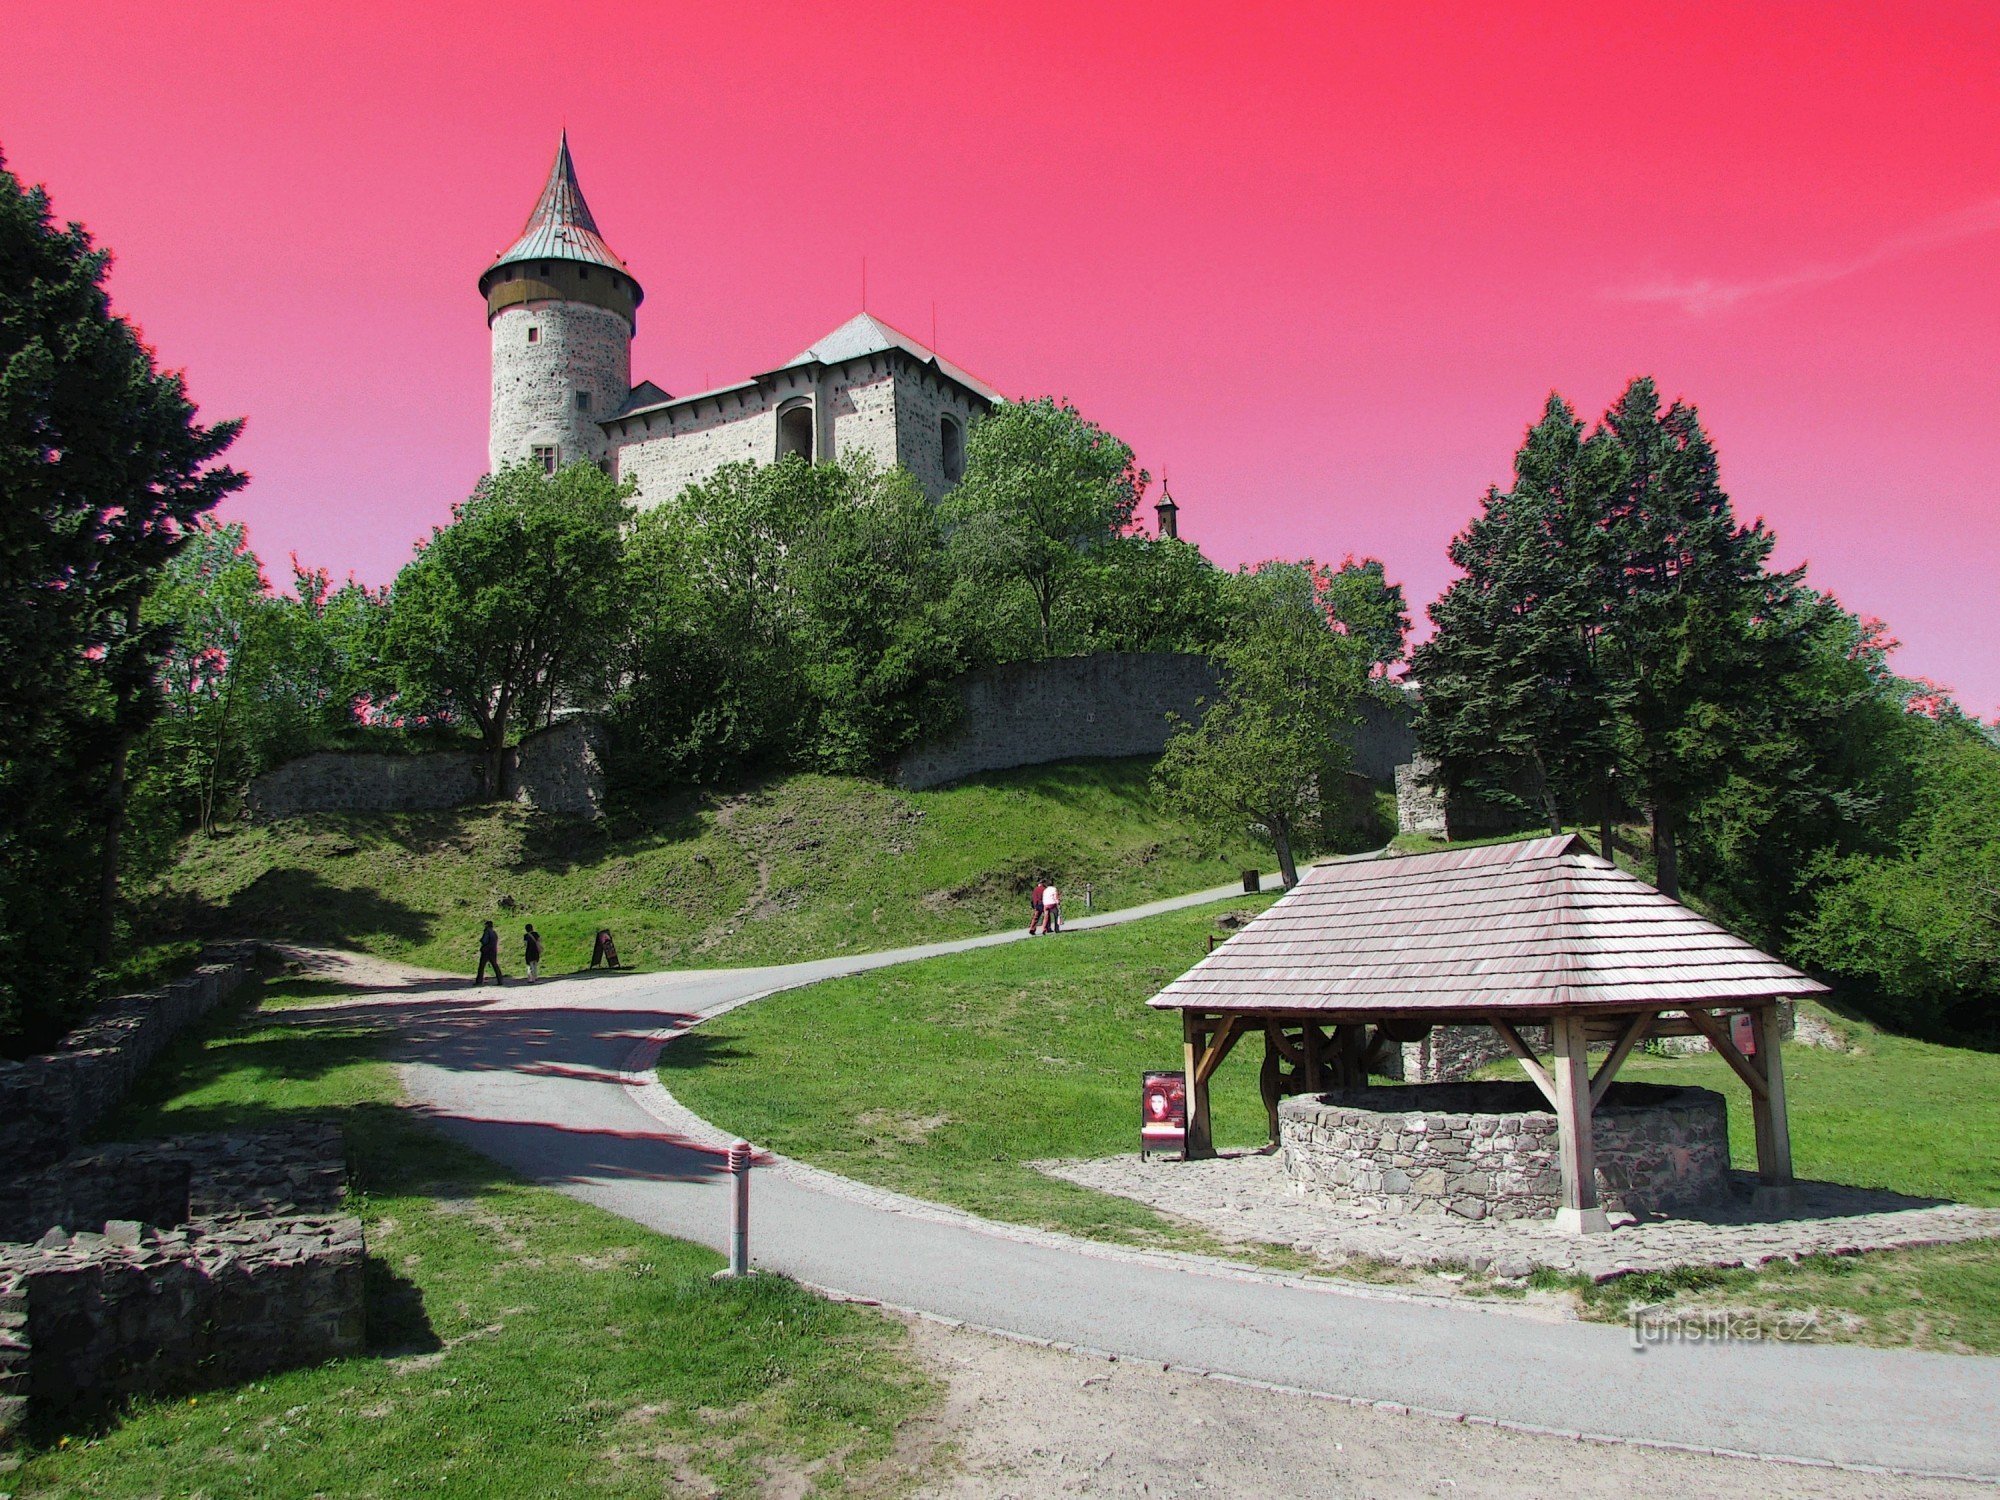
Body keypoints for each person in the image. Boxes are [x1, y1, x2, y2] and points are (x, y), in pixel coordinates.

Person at [476, 920, 505, 986]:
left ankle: (479, 981)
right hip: (493, 951)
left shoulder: (487, 932)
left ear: (487, 925)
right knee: (495, 966)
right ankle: (500, 980)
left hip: (486, 951)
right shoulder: (494, 933)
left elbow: (484, 941)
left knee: (481, 966)